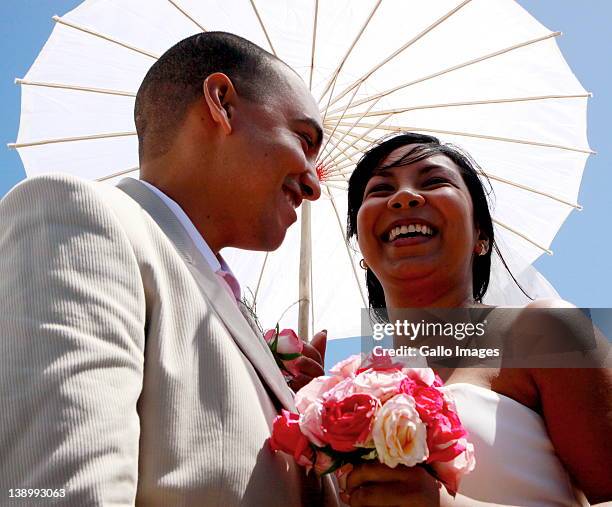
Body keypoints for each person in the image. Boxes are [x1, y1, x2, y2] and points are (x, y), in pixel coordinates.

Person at [0, 32, 338, 506]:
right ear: (222, 102)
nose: (313, 182)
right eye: (304, 140)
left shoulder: (227, 302)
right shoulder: (80, 220)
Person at [339, 132, 611, 506]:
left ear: (480, 235)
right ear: (363, 249)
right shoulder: (347, 391)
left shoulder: (544, 331)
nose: (403, 197)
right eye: (380, 190)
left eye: (434, 181)